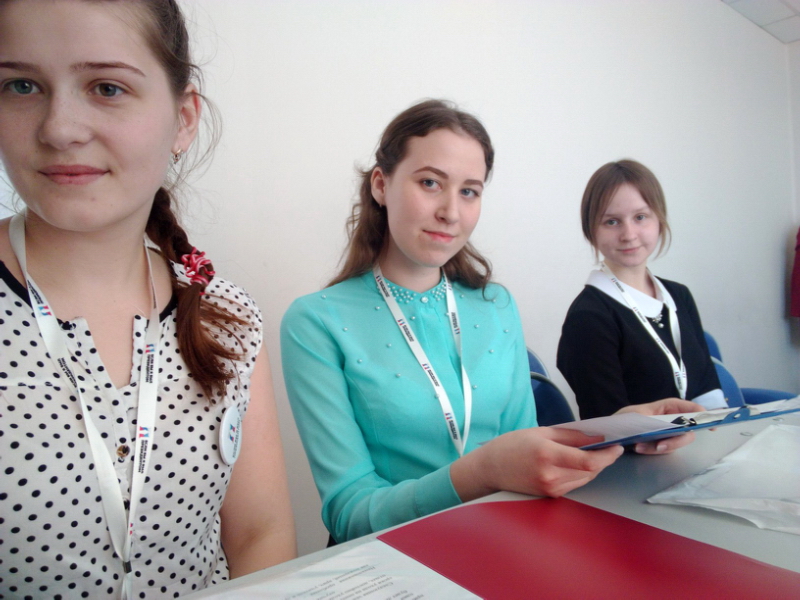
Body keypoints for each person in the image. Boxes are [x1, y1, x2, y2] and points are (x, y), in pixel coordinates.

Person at [281, 101, 699, 545]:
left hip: (506, 539)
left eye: (469, 191)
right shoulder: (316, 322)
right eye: (430, 183)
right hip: (395, 560)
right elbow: (349, 515)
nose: (451, 212)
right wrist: (482, 472)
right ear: (381, 185)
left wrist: (618, 428)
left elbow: (526, 445)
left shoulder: (495, 304)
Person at [0, 0, 295, 596]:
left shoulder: (227, 317)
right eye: (21, 85)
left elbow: (259, 536)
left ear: (183, 119)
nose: (59, 128)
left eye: (106, 88)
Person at [557, 160, 725, 420]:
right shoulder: (588, 316)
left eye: (640, 217)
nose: (629, 234)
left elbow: (707, 389)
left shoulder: (679, 296)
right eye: (612, 222)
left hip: (701, 436)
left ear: (659, 220)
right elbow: (606, 421)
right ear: (591, 231)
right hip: (638, 446)